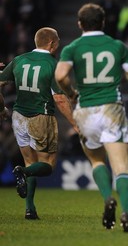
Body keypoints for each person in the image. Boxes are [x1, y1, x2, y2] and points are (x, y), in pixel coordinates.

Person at [55, 3, 128, 233]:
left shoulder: (72, 47)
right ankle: (127, 212)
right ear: (103, 22)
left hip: (85, 110)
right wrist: (119, 75)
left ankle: (107, 198)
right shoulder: (116, 45)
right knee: (122, 166)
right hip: (111, 109)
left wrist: (72, 93)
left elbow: (61, 75)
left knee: (96, 160)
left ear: (79, 24)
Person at [0, 27, 77, 220]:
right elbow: (59, 99)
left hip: (18, 116)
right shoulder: (52, 64)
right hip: (41, 117)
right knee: (48, 165)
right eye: (58, 41)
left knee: (30, 160)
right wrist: (75, 124)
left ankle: (30, 209)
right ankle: (22, 172)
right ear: (51, 43)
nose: (59, 45)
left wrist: (1, 109)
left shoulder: (19, 59)